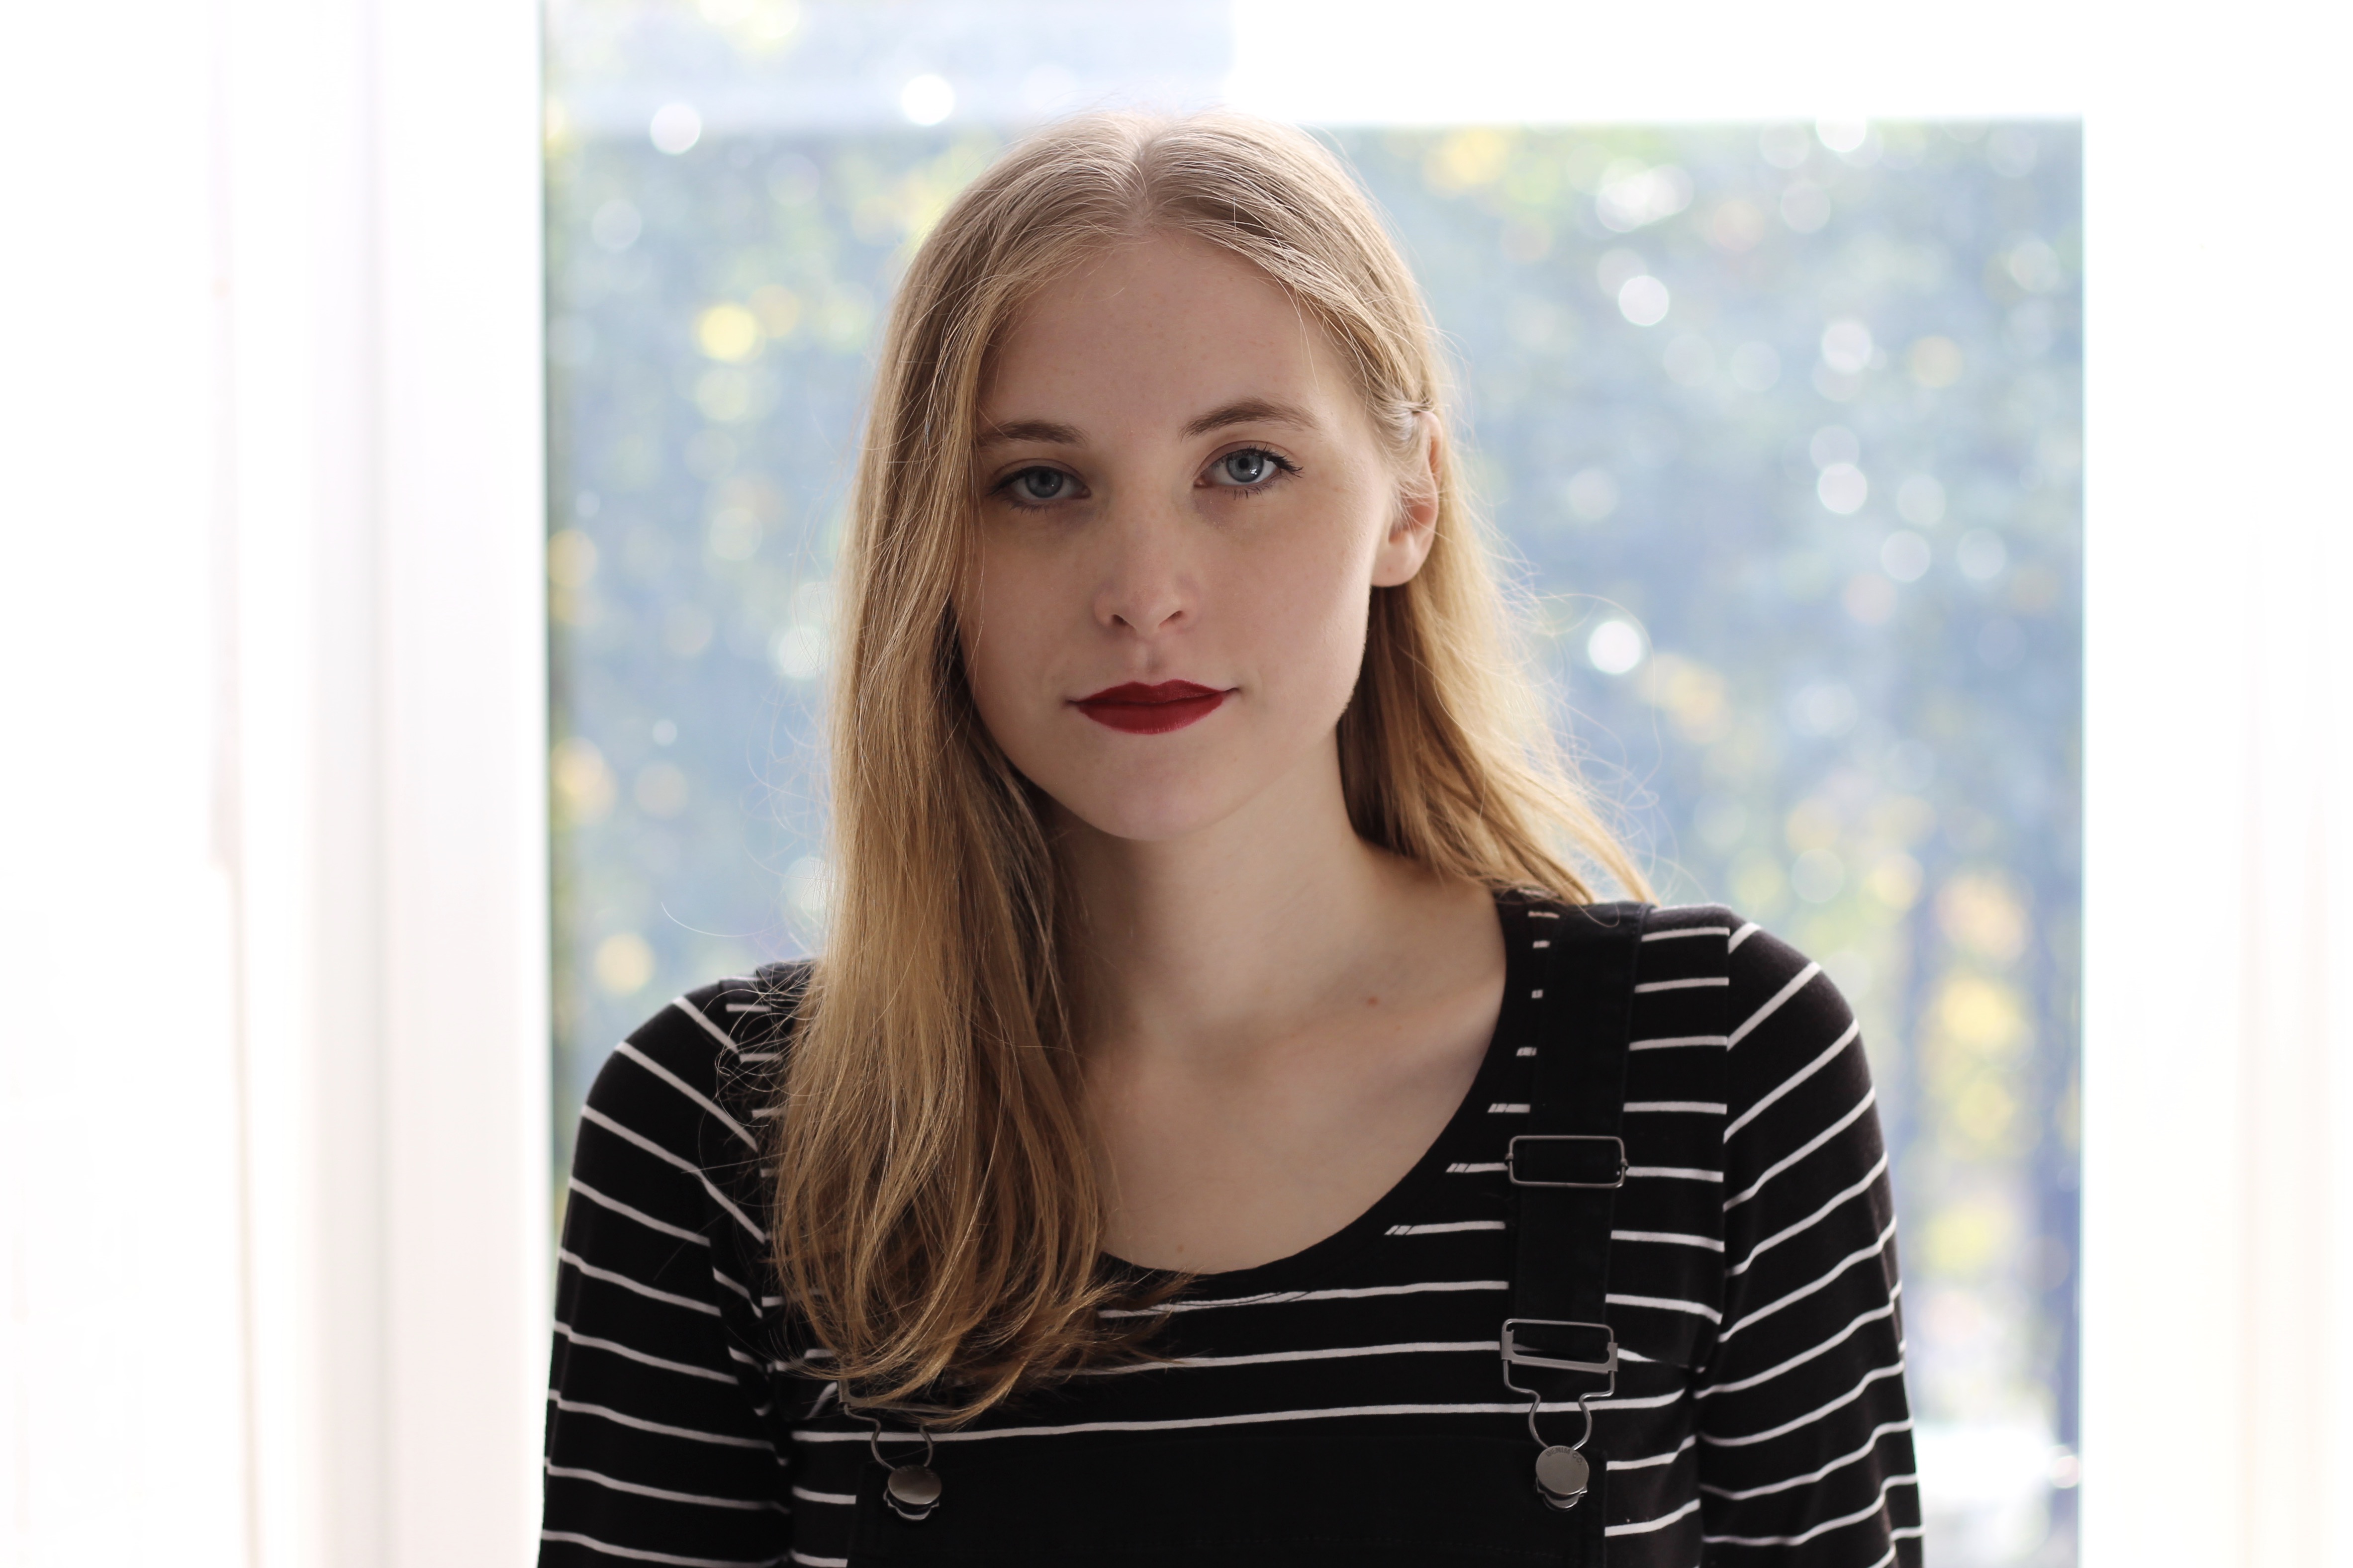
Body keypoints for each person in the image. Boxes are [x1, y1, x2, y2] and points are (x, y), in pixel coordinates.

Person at [540, 111, 1919, 1568]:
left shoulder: (1715, 1069)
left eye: (1245, 466)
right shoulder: (714, 1139)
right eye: (1040, 482)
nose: (1144, 590)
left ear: (1409, 499)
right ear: (929, 542)